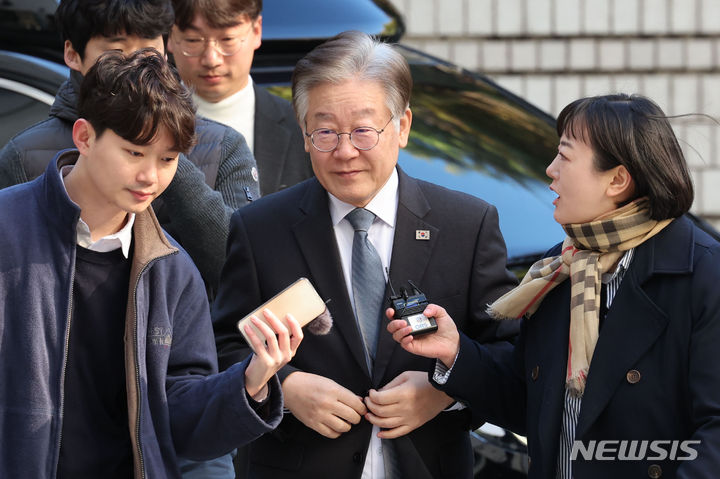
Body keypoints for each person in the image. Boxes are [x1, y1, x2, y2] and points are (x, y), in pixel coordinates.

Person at [212, 31, 519, 479]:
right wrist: (286, 386)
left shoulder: (466, 225)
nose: (344, 151)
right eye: (325, 131)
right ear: (303, 135)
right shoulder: (260, 229)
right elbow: (222, 346)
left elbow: (510, 355)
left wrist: (445, 389)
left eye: (362, 130)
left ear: (403, 126)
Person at [0, 48, 302, 479]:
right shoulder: (6, 228)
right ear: (84, 137)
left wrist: (252, 379)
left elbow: (176, 422)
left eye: (167, 159)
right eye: (134, 153)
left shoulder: (172, 269)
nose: (150, 177)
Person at [388, 94, 720, 478]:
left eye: (565, 156)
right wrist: (456, 352)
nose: (550, 170)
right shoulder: (561, 268)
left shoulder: (702, 275)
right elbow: (531, 404)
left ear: (617, 179)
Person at [0, 0, 260, 296]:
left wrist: (165, 150)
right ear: (73, 54)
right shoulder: (25, 155)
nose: (136, 62)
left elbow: (245, 274)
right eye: (116, 50)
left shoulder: (223, 146)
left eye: (149, 49)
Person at [169, 0, 313, 195]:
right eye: (193, 40)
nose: (211, 59)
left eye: (228, 40)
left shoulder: (303, 128)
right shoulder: (141, 127)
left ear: (256, 31)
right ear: (169, 36)